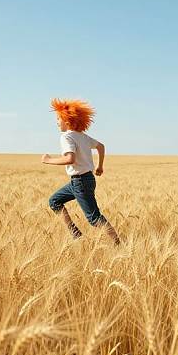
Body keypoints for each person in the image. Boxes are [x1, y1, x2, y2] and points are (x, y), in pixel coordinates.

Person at [42, 98, 120, 245]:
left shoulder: (66, 137)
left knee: (94, 218)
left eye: (58, 118)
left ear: (67, 119)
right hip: (83, 180)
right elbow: (101, 146)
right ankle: (75, 234)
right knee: (54, 201)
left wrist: (48, 160)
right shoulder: (83, 137)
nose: (57, 122)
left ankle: (118, 244)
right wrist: (100, 166)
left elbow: (69, 159)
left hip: (80, 182)